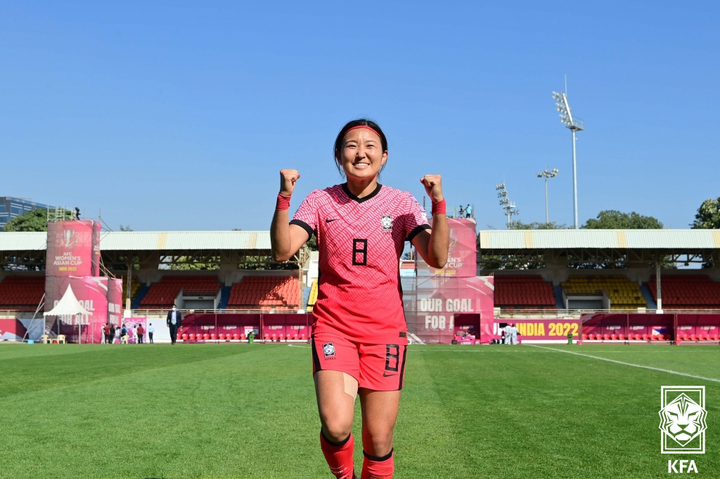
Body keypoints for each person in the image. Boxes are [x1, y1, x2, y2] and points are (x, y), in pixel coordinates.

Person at [271, 119, 449, 479]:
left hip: (385, 332)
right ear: (339, 156)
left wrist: (439, 205)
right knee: (336, 426)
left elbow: (438, 257)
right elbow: (282, 249)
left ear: (383, 157)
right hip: (334, 327)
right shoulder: (321, 200)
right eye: (351, 145)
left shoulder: (402, 202)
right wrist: (284, 198)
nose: (361, 152)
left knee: (378, 439)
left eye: (370, 146)